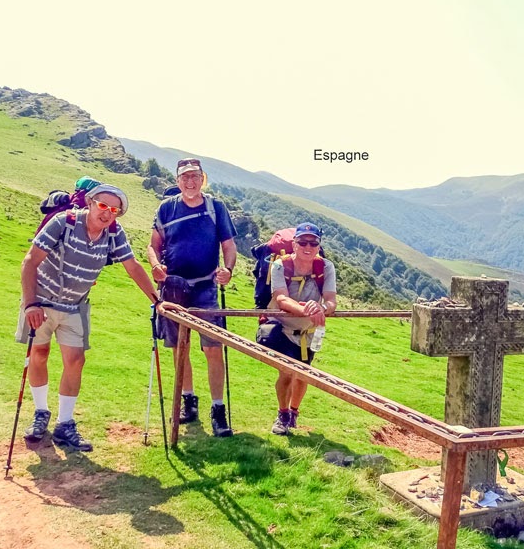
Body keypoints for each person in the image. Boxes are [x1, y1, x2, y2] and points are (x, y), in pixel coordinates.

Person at [18, 183, 159, 452]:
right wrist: (30, 304)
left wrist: (158, 302)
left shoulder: (114, 234)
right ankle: (40, 414)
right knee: (39, 354)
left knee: (76, 360)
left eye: (114, 210)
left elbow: (133, 267)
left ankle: (65, 424)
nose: (107, 213)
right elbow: (29, 262)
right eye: (103, 206)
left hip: (75, 306)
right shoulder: (63, 223)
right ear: (90, 203)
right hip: (41, 302)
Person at [147, 158, 238, 438]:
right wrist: (155, 265)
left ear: (203, 179)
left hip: (206, 287)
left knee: (212, 348)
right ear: (177, 181)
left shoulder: (216, 207)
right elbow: (153, 245)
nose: (190, 182)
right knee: (179, 348)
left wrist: (228, 269)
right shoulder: (166, 208)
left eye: (195, 176)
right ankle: (188, 402)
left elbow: (229, 245)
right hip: (174, 288)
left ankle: (218, 410)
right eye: (184, 177)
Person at [255, 222, 337, 436]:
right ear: (294, 243)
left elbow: (331, 301)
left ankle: (293, 413)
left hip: (309, 333)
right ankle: (282, 414)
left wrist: (322, 308)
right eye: (302, 242)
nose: (307, 247)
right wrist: (307, 309)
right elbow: (281, 298)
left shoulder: (325, 267)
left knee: (303, 374)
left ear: (319, 245)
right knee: (287, 371)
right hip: (283, 329)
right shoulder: (281, 265)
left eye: (313, 243)